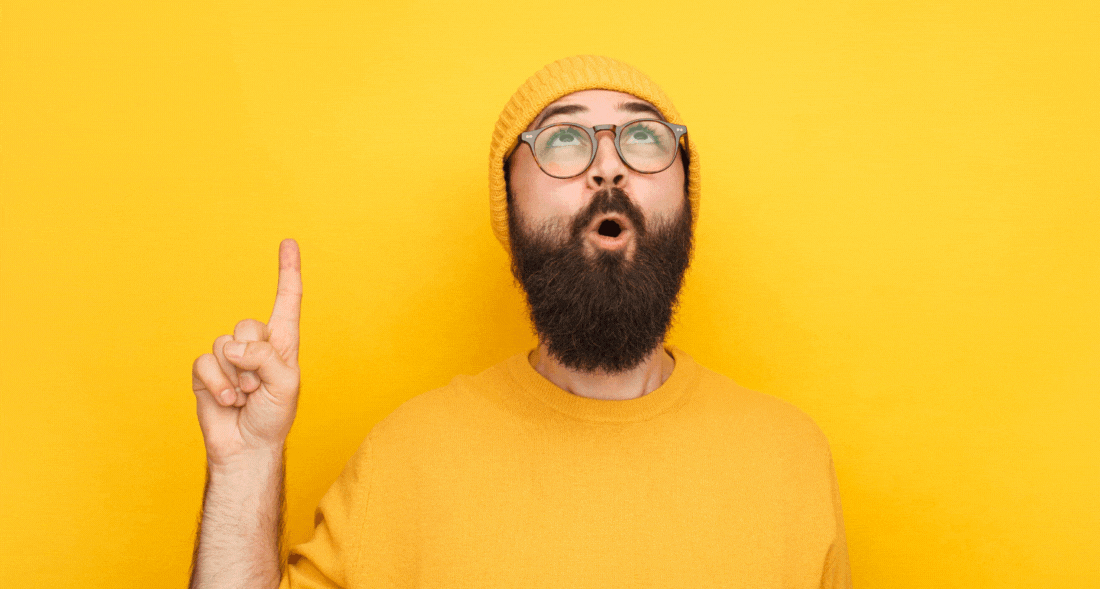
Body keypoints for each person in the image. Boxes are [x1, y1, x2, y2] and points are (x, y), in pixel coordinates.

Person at [189, 54, 853, 589]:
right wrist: (246, 466)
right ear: (509, 202)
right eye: (564, 139)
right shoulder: (407, 461)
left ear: (685, 196)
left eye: (644, 137)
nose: (608, 164)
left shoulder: (789, 458)